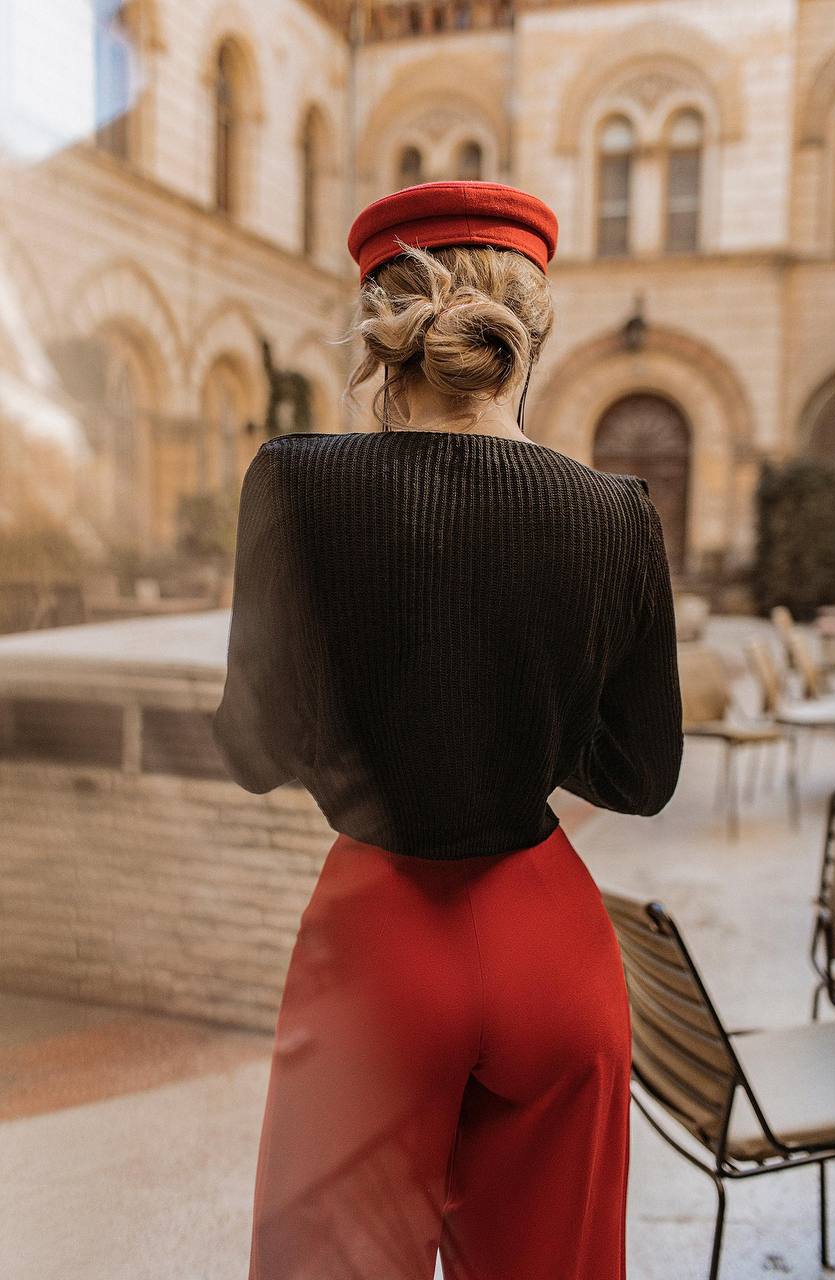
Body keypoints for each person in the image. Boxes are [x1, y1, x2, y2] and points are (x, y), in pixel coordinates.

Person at [212, 179, 684, 1280]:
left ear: (381, 330)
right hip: (550, 953)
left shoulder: (293, 481)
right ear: (533, 328)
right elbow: (642, 772)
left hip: (377, 953)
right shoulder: (616, 513)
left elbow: (254, 747)